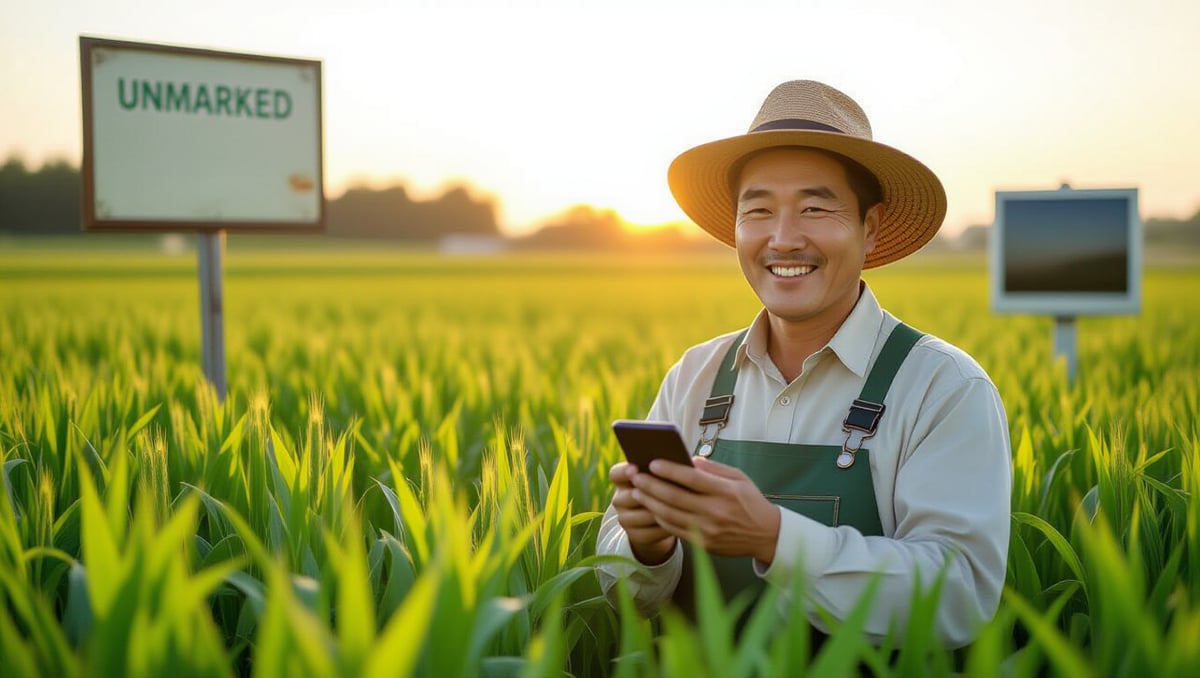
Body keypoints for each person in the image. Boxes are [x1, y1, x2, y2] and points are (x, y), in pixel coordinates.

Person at [595, 80, 1011, 648]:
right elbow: (623, 593)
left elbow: (959, 596)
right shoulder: (694, 376)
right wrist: (646, 545)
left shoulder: (943, 386)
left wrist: (772, 536)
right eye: (759, 210)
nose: (784, 239)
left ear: (871, 228)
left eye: (815, 208)